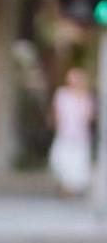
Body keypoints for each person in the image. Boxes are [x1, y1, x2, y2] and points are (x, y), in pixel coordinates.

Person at [49, 67, 95, 197]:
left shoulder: (85, 96)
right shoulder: (62, 94)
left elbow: (89, 116)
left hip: (80, 135)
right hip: (65, 133)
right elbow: (57, 113)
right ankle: (65, 186)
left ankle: (72, 188)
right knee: (60, 160)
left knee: (77, 162)